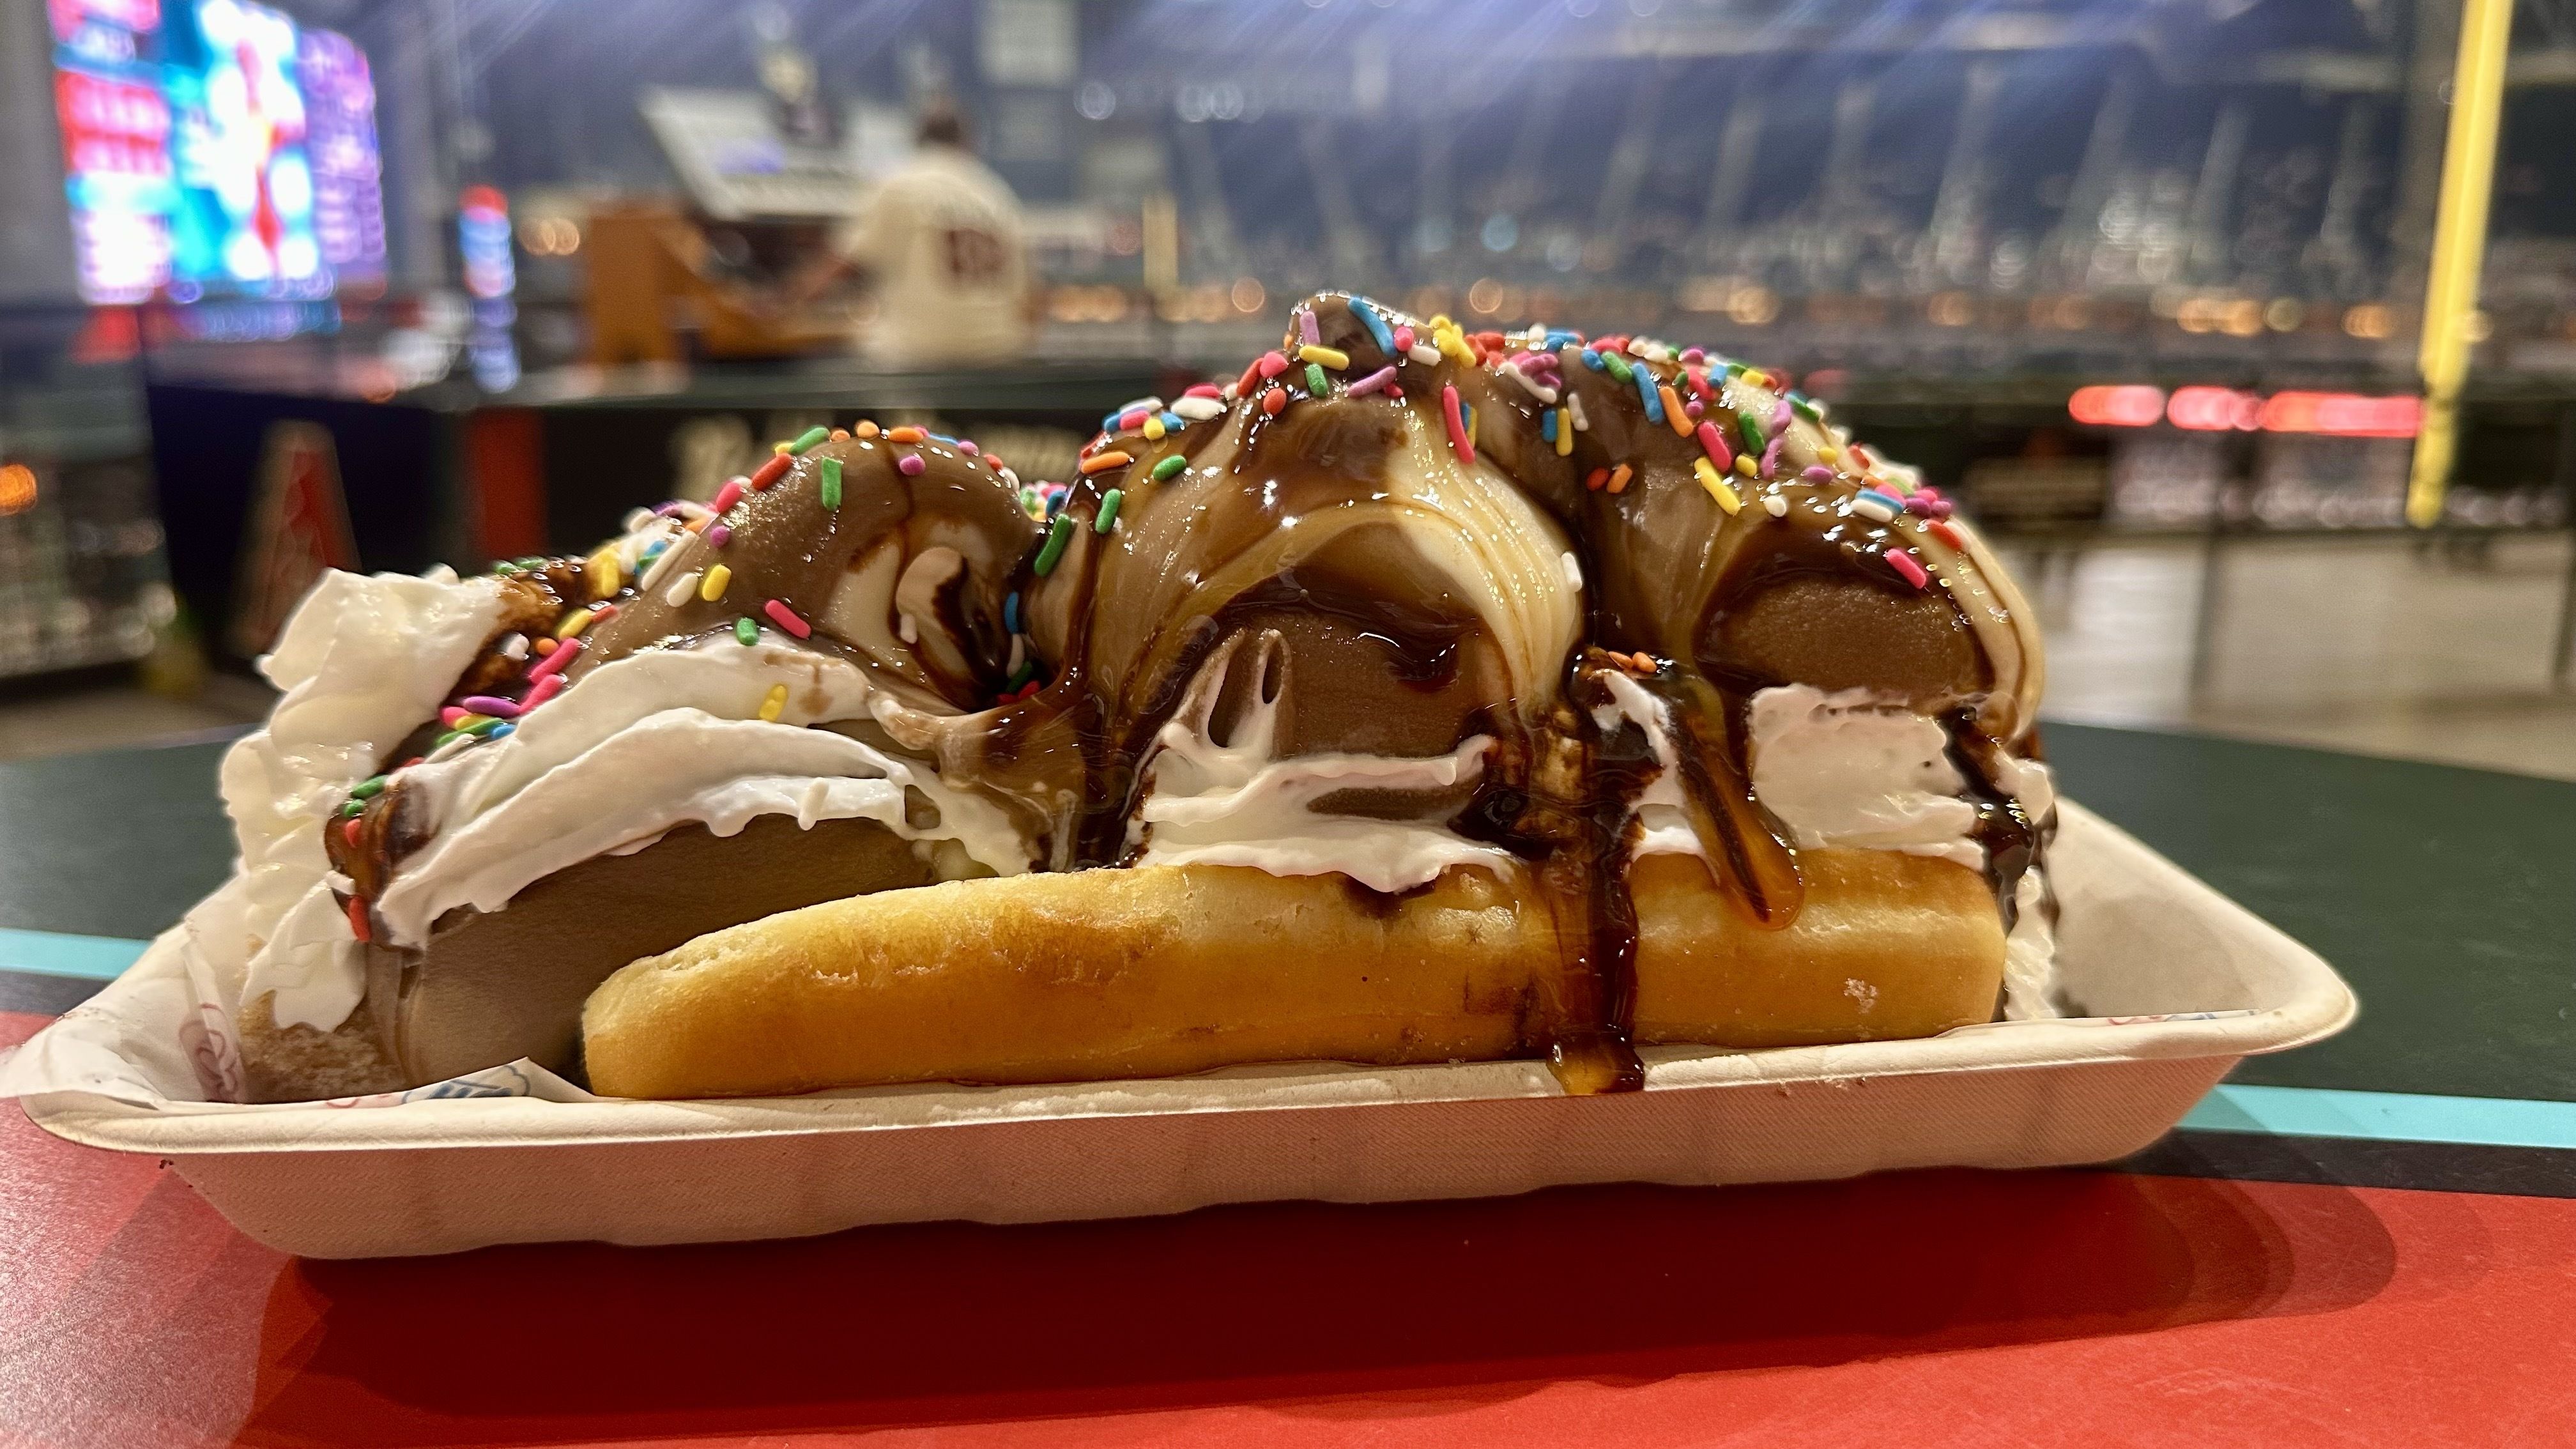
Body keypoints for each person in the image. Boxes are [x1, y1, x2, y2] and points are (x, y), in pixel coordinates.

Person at [793, 105, 1030, 365]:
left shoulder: (901, 183)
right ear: (968, 143)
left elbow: (842, 264)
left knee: (833, 362)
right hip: (997, 356)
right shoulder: (998, 195)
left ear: (917, 139)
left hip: (918, 356)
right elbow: (1029, 302)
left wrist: (788, 302)